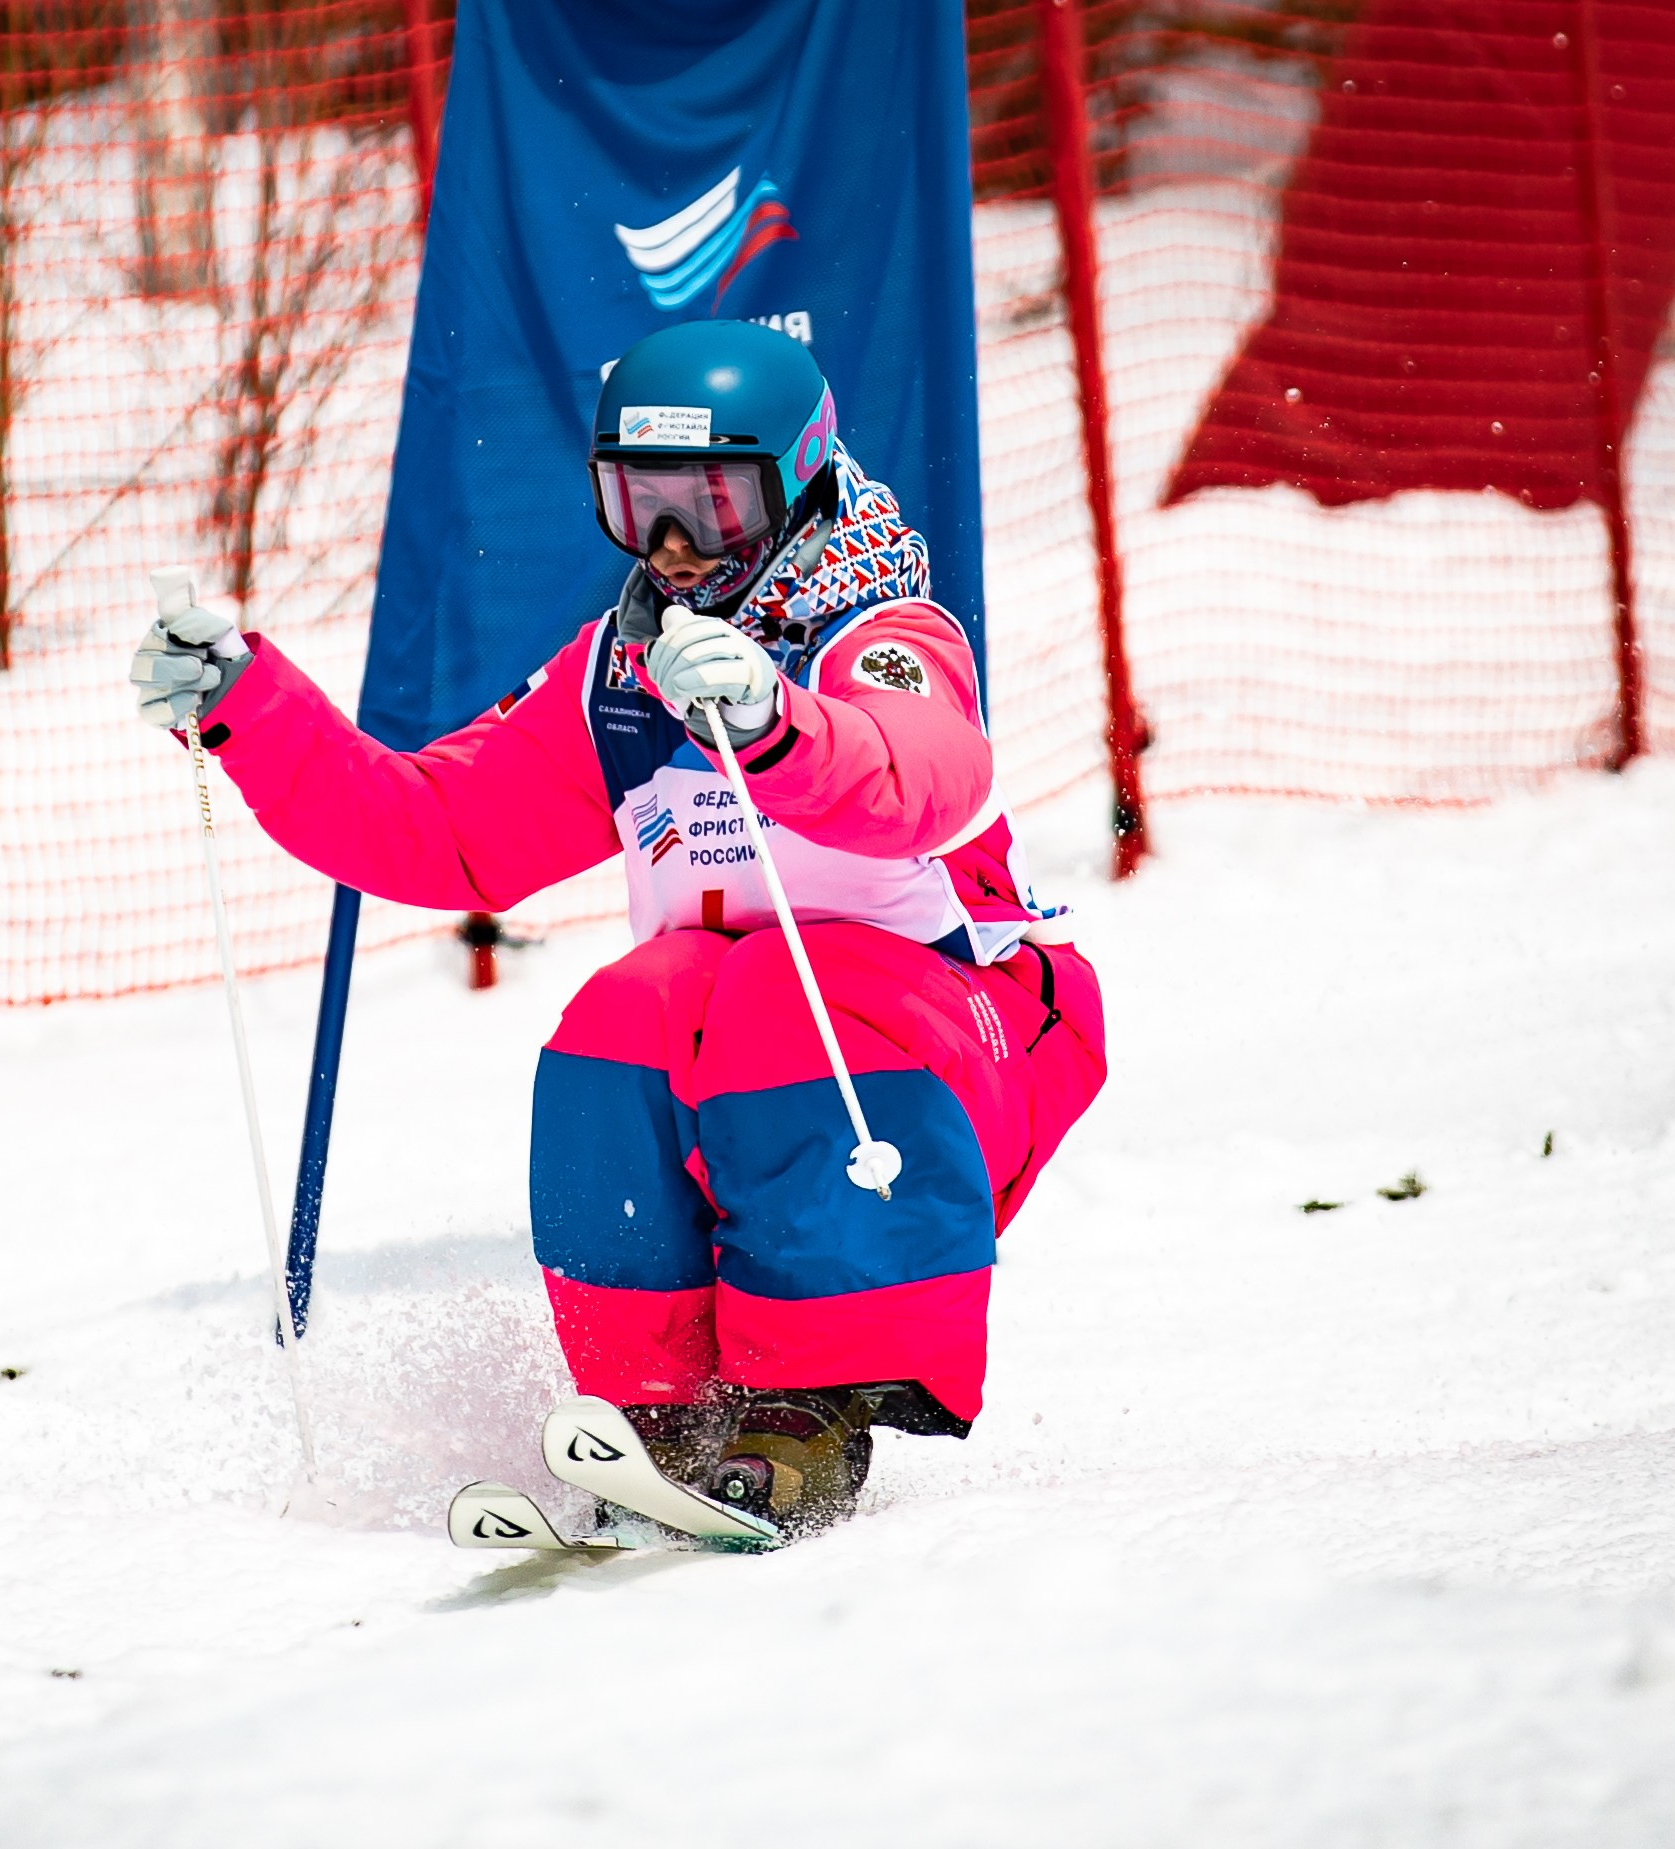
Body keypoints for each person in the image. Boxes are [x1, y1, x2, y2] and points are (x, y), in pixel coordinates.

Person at [131, 320, 1106, 1535]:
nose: (675, 546)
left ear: (797, 485)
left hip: (974, 1037)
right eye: (638, 502)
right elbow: (437, 827)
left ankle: (806, 1412)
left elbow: (922, 773)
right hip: (785, 1042)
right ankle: (657, 1409)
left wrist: (774, 725)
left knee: (761, 1001)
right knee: (628, 1014)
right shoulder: (618, 678)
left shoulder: (879, 631)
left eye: (714, 502)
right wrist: (246, 710)